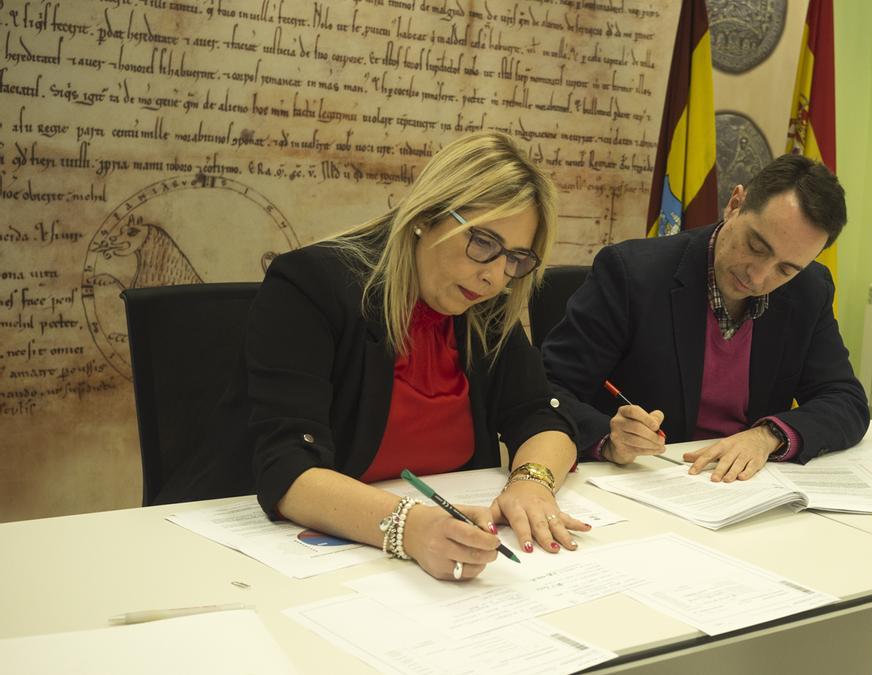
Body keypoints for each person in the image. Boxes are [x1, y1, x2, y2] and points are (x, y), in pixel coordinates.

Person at [157, 132, 588, 581]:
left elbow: (539, 415)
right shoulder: (311, 287)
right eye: (483, 244)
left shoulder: (484, 307)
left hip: (419, 567)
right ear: (427, 215)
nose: (495, 276)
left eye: (516, 259)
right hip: (256, 559)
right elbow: (288, 469)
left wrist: (532, 483)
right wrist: (411, 528)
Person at [541, 154, 869, 482]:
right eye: (756, 246)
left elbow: (845, 400)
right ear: (735, 204)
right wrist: (610, 438)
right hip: (645, 479)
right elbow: (550, 388)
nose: (758, 277)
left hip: (747, 486)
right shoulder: (631, 274)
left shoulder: (809, 289)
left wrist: (767, 436)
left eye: (785, 269)